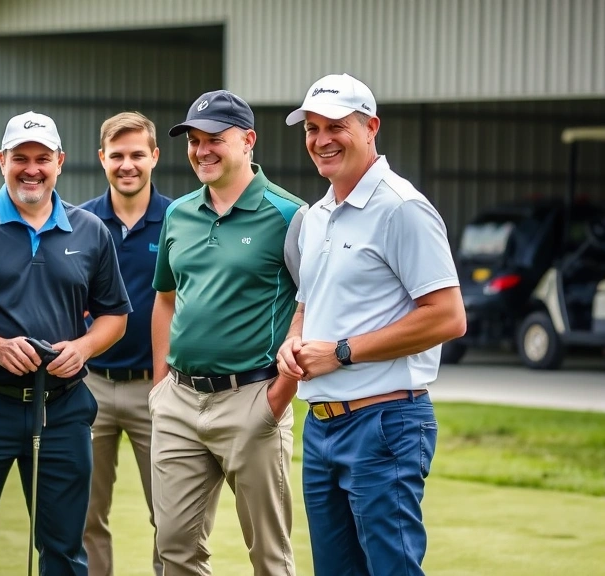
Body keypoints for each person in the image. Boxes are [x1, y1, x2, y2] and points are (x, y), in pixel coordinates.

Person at [277, 73, 466, 576]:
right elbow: (308, 302)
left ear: (370, 128)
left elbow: (448, 316)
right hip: (322, 425)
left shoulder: (402, 207)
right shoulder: (317, 214)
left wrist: (339, 352)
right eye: (312, 128)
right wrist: (294, 340)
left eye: (335, 126)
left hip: (384, 424)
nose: (321, 139)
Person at [0, 111, 131, 576]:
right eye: (21, 158)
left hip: (63, 409)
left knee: (64, 552)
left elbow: (115, 316)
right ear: (2, 160)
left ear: (60, 162)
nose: (32, 169)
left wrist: (82, 348)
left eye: (43, 158)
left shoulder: (89, 230)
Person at [150, 90, 306, 576]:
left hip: (254, 399)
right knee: (174, 549)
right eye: (194, 141)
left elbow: (314, 306)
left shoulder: (290, 215)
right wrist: (159, 387)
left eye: (214, 139)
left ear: (248, 140)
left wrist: (279, 396)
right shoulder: (178, 213)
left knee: (269, 557)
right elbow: (165, 298)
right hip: (178, 402)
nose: (202, 150)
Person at [77, 111, 170, 576]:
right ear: (102, 158)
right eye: (117, 155)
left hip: (157, 386)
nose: (127, 164)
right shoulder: (79, 222)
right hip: (89, 384)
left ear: (154, 156)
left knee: (171, 518)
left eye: (137, 154)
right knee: (84, 517)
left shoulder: (179, 219)